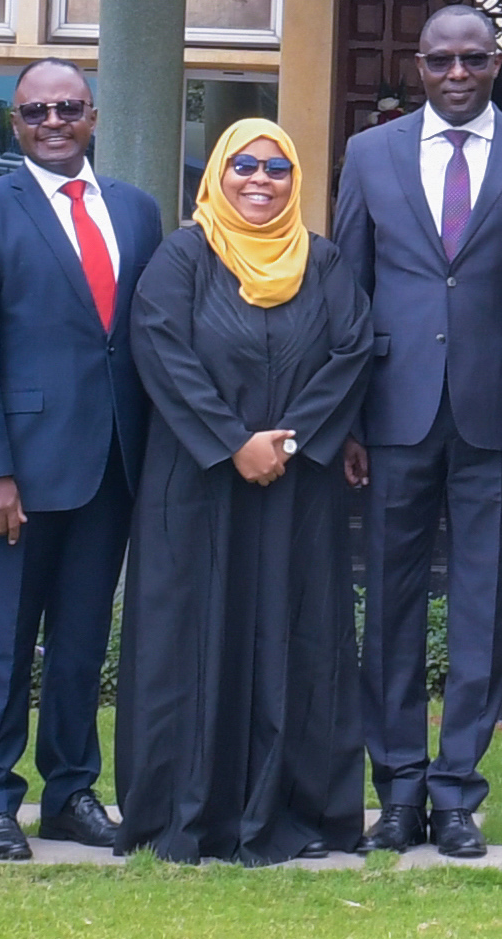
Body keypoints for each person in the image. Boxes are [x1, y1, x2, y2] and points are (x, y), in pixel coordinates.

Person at [116, 119, 377, 863]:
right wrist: (233, 442)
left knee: (297, 636)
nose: (260, 180)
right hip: (197, 489)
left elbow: (352, 351)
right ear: (217, 176)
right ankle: (185, 814)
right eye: (243, 166)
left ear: (296, 179)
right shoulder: (183, 257)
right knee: (193, 640)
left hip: (297, 490)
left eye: (277, 168)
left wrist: (284, 442)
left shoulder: (322, 262)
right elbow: (161, 350)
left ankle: (293, 812)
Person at [336, 4, 502, 853]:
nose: (457, 75)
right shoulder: (371, 152)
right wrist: (348, 415)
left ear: (497, 63)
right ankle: (397, 789)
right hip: (392, 415)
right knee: (389, 607)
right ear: (418, 65)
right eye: (441, 61)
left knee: (480, 605)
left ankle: (458, 793)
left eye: (473, 59)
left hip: (497, 418)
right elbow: (348, 291)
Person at [0, 58, 161, 858]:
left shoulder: (138, 212)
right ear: (16, 124)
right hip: (20, 472)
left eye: (68, 108)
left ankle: (70, 793)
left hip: (113, 463)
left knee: (81, 642)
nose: (53, 122)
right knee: (4, 640)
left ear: (93, 114)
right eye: (36, 112)